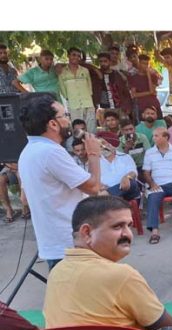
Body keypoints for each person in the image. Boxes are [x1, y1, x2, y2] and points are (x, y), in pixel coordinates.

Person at [44, 196, 172, 330]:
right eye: (117, 226)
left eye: (129, 226)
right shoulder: (121, 275)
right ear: (87, 233)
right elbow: (168, 329)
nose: (127, 234)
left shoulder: (56, 271)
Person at [18, 95, 102, 269]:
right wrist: (93, 154)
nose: (68, 121)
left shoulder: (27, 152)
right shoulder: (51, 152)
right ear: (53, 124)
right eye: (65, 116)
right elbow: (94, 187)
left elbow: (24, 199)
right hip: (70, 244)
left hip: (52, 242)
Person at [58, 47, 96, 132]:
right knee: (78, 130)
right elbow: (63, 89)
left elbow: (89, 86)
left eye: (78, 56)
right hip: (74, 105)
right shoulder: (62, 72)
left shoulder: (85, 71)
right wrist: (70, 98)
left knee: (91, 128)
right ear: (68, 56)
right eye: (73, 55)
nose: (76, 57)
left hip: (88, 103)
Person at [94, 52, 133, 118]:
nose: (103, 63)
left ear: (109, 61)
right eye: (100, 61)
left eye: (105, 61)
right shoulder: (96, 74)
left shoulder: (116, 74)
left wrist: (128, 106)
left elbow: (125, 91)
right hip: (105, 108)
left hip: (120, 107)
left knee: (122, 126)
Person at [128, 54, 162, 121]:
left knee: (159, 124)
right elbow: (134, 94)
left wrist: (149, 75)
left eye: (147, 64)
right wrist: (149, 92)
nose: (146, 66)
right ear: (139, 63)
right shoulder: (133, 77)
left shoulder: (153, 76)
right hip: (141, 107)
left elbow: (152, 90)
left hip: (154, 105)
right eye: (144, 63)